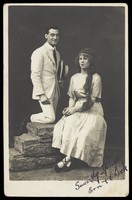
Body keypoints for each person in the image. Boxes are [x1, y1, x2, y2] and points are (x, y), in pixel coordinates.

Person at [52, 48, 107, 172]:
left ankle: (66, 160)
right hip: (76, 107)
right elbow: (72, 97)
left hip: (93, 110)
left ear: (90, 61)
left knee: (84, 133)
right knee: (69, 125)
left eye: (85, 58)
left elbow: (92, 100)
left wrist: (74, 109)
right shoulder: (74, 77)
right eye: (80, 58)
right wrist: (71, 108)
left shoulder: (96, 78)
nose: (82, 61)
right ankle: (69, 160)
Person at [20, 26, 64, 133]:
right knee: (50, 118)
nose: (55, 37)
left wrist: (59, 82)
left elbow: (53, 73)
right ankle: (29, 119)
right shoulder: (39, 52)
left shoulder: (57, 53)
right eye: (52, 35)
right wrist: (41, 93)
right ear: (46, 36)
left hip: (55, 90)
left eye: (57, 35)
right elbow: (35, 75)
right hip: (44, 91)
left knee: (51, 121)